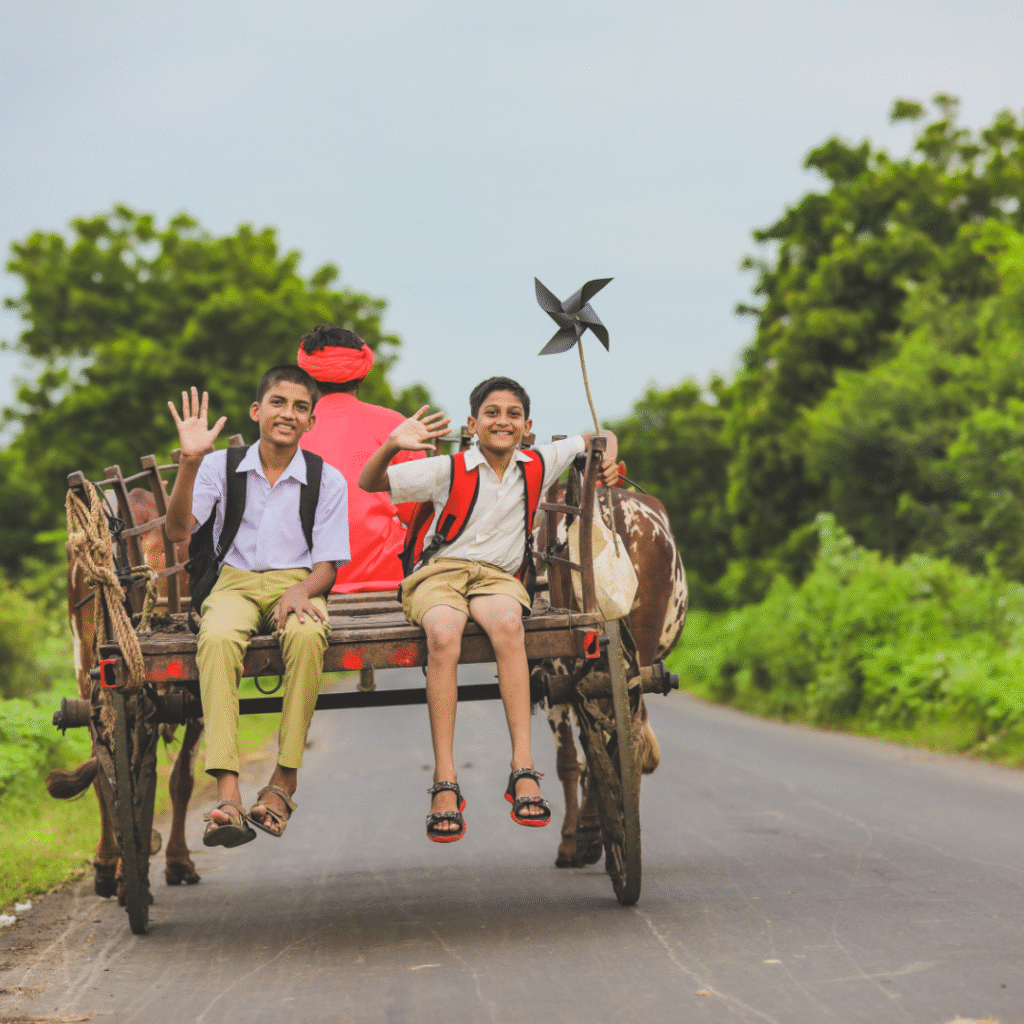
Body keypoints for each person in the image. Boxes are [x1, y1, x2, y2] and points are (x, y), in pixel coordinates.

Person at [359, 376, 619, 842]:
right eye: (492, 413)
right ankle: (445, 780)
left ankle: (523, 768)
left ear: (527, 425)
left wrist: (608, 458)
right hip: (439, 574)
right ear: (472, 423)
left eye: (513, 414)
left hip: (498, 578)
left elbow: (601, 438)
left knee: (508, 627)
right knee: (443, 634)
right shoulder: (448, 468)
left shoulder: (539, 463)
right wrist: (394, 444)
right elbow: (369, 481)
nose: (503, 421)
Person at [164, 368, 350, 848]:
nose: (287, 413)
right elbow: (177, 530)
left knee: (309, 636)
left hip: (298, 582)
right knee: (218, 638)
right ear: (257, 410)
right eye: (277, 402)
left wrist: (302, 591)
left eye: (300, 407)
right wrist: (189, 460)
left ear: (310, 421)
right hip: (234, 581)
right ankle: (227, 793)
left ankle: (283, 780)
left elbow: (328, 565)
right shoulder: (218, 468)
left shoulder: (325, 479)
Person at [297, 323, 425, 593]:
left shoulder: (289, 431)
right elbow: (418, 516)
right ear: (363, 375)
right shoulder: (396, 426)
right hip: (392, 579)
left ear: (306, 376)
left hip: (308, 585)